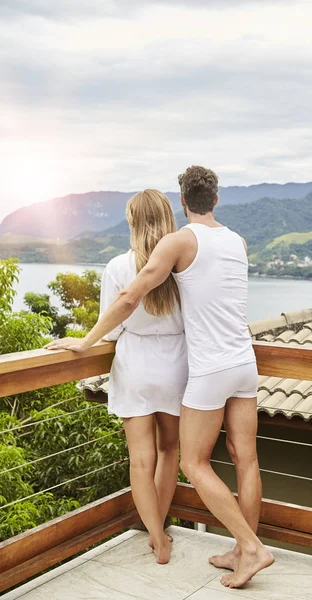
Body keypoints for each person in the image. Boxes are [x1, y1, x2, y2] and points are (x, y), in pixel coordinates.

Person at [45, 166, 275, 588]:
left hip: (208, 368)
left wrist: (85, 341)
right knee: (247, 458)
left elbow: (131, 294)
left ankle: (253, 548)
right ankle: (242, 550)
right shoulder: (238, 242)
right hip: (244, 363)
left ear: (183, 200)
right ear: (217, 199)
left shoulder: (180, 242)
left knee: (192, 461)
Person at [50, 190, 188, 565]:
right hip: (176, 364)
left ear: (133, 223)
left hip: (136, 365)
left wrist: (84, 342)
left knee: (140, 461)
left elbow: (111, 332)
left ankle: (158, 539)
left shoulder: (117, 267)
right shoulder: (182, 266)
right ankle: (160, 524)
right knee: (169, 451)